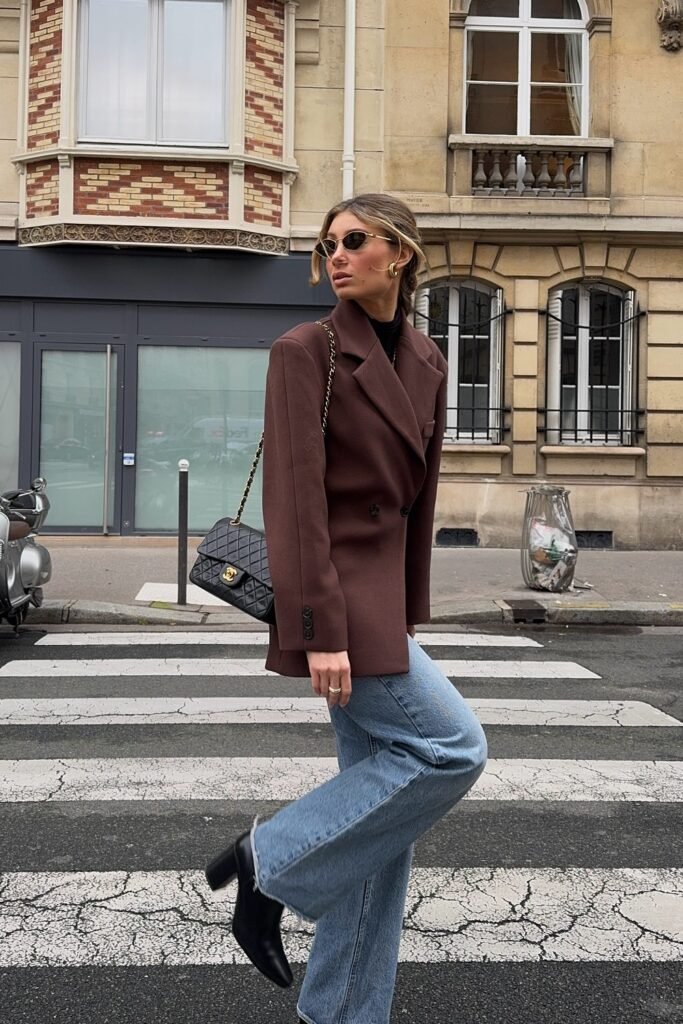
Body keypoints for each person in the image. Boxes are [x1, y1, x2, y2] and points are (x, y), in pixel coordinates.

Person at [205, 193, 487, 1024]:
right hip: (335, 601)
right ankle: (268, 860)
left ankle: (341, 1013)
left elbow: (416, 500)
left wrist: (407, 608)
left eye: (353, 240)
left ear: (398, 253)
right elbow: (295, 504)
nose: (335, 254)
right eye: (326, 243)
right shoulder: (307, 350)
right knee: (451, 749)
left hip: (382, 603)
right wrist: (320, 631)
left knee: (380, 837)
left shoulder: (428, 358)